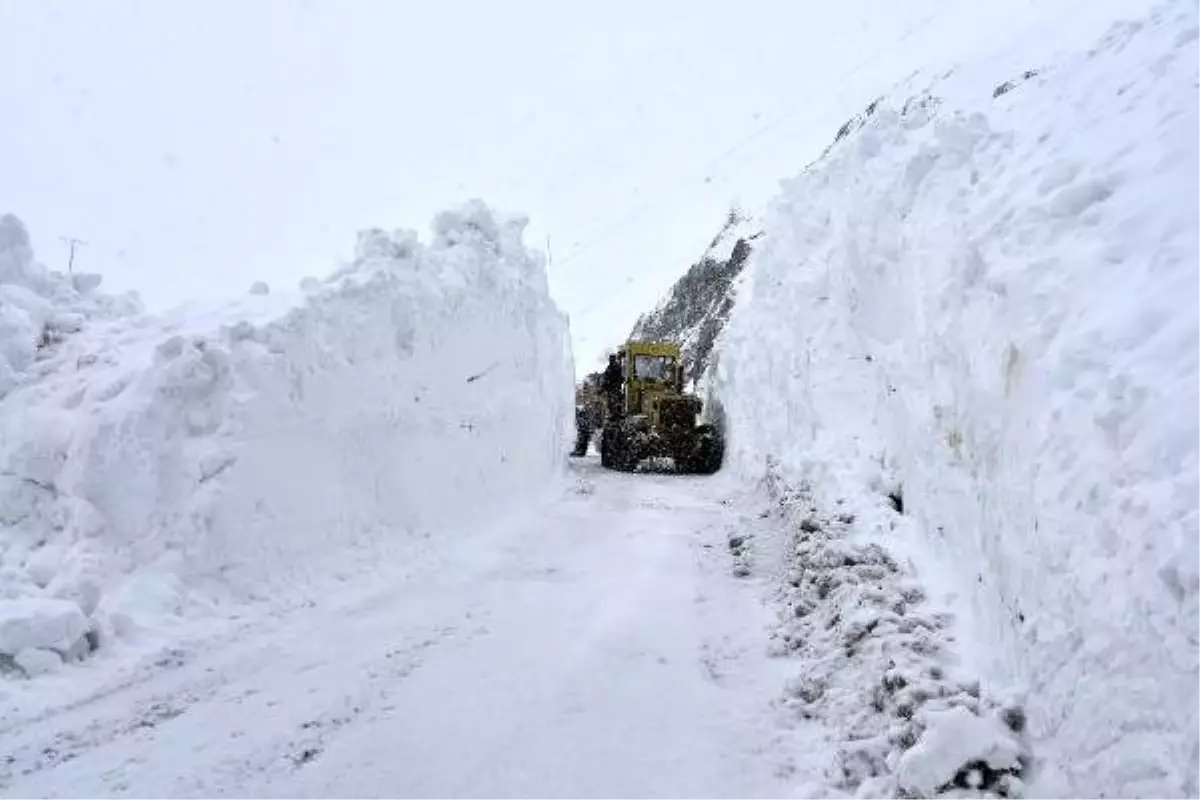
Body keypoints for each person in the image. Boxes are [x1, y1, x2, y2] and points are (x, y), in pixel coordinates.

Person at [601, 353, 624, 419]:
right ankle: (615, 413)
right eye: (610, 359)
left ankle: (615, 414)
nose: (610, 360)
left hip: (613, 388)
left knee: (613, 402)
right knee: (613, 401)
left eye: (611, 359)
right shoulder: (613, 366)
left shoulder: (614, 367)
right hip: (614, 387)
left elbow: (608, 378)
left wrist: (604, 386)